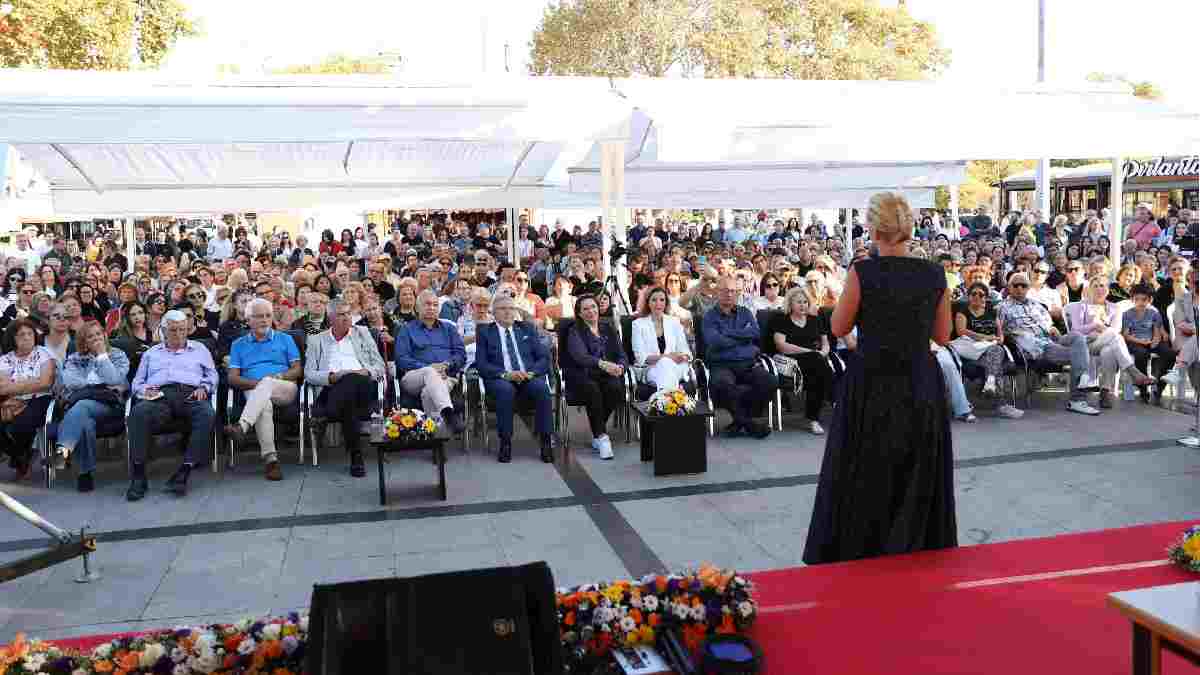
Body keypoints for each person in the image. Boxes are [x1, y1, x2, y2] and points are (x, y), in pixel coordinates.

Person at [804, 191, 955, 565]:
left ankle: (866, 546)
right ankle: (915, 545)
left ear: (872, 228)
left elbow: (838, 327)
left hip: (872, 380)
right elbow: (943, 336)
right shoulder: (935, 274)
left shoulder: (863, 272)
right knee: (915, 463)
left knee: (868, 465)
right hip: (919, 379)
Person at [126, 310, 218, 501]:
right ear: (164, 331)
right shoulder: (151, 353)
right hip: (160, 394)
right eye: (174, 330)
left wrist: (205, 387)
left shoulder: (200, 349)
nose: (179, 334)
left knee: (207, 413)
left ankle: (185, 470)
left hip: (190, 392)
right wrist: (145, 391)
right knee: (138, 413)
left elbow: (212, 375)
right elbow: (137, 382)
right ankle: (138, 474)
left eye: (183, 330)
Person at [305, 297, 386, 477]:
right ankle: (356, 455)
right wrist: (332, 377)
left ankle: (326, 413)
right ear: (330, 318)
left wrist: (365, 372)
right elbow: (309, 373)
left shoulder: (363, 333)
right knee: (348, 401)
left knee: (351, 378)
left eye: (349, 314)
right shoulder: (316, 340)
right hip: (332, 387)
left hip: (364, 384)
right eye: (341, 315)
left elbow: (380, 366)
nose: (346, 318)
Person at [1000, 272, 1101, 415]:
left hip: (1051, 339)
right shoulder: (1003, 307)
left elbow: (1049, 324)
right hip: (1035, 346)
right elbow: (1000, 331)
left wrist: (1052, 329)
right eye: (1015, 285)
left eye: (1023, 285)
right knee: (1081, 352)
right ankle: (1078, 398)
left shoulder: (1036, 305)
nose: (1019, 288)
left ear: (1028, 288)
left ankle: (1082, 381)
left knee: (1078, 337)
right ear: (1009, 287)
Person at [224, 298, 302, 481]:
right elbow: (232, 378)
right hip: (253, 389)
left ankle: (242, 426)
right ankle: (271, 460)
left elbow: (297, 370)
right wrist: (258, 384)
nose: (265, 320)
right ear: (248, 319)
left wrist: (277, 378)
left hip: (284, 388)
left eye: (268, 316)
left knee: (266, 383)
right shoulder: (239, 344)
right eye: (259, 316)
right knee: (263, 405)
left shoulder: (286, 339)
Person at [473, 295, 554, 463]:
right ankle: (506, 442)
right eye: (503, 309)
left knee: (542, 389)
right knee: (505, 390)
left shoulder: (527, 328)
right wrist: (505, 374)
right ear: (494, 313)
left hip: (527, 375)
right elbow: (481, 363)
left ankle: (546, 441)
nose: (508, 312)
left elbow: (543, 358)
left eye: (511, 308)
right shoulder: (485, 331)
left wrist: (531, 373)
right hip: (501, 377)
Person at [55, 321, 130, 491]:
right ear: (83, 342)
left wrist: (103, 356)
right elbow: (69, 381)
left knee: (80, 407)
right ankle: (85, 474)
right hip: (84, 405)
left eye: (98, 334)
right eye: (90, 336)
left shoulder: (117, 355)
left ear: (104, 335)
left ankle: (63, 453)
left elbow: (115, 380)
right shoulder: (75, 358)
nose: (96, 338)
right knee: (85, 421)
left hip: (110, 405)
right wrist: (98, 384)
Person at [703, 277, 776, 439]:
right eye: (725, 290)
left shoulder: (745, 312)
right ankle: (750, 424)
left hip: (747, 364)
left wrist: (727, 333)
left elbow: (755, 333)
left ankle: (739, 421)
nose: (729, 294)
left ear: (737, 293)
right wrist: (743, 336)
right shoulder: (709, 316)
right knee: (723, 384)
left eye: (733, 291)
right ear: (717, 292)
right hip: (722, 364)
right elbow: (715, 340)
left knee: (770, 381)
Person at [1065, 281, 1154, 409]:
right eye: (1095, 285)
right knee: (1114, 337)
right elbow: (1075, 330)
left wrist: (1102, 332)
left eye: (1102, 285)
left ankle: (1105, 392)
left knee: (1109, 350)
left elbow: (1116, 328)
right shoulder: (1080, 306)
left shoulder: (1114, 308)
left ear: (1107, 290)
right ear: (1089, 289)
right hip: (1085, 344)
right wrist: (1094, 326)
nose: (1099, 289)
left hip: (1106, 341)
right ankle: (1133, 372)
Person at [394, 290, 467, 433]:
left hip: (446, 376)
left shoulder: (449, 329)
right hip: (414, 377)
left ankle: (435, 439)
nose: (432, 308)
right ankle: (448, 413)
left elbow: (460, 354)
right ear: (417, 307)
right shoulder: (406, 330)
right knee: (429, 371)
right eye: (427, 304)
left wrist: (447, 365)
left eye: (435, 305)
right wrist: (429, 367)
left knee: (429, 393)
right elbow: (401, 359)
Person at [564, 295, 626, 459]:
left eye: (593, 307)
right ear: (579, 313)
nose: (591, 311)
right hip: (582, 374)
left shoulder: (608, 327)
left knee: (616, 388)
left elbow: (621, 353)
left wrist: (620, 366)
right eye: (585, 309)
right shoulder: (574, 331)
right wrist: (603, 364)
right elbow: (581, 357)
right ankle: (601, 437)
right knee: (593, 390)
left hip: (607, 373)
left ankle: (597, 431)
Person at [768, 288, 831, 434]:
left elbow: (826, 343)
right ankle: (815, 417)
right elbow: (782, 345)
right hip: (791, 361)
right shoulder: (781, 319)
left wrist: (822, 353)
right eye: (799, 302)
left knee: (818, 371)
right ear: (790, 304)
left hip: (816, 361)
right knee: (821, 369)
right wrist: (811, 352)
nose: (803, 305)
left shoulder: (815, 320)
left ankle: (813, 419)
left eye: (805, 302)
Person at [0, 319, 57, 480]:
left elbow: (46, 383)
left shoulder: (43, 353)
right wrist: (32, 383)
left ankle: (19, 459)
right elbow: (2, 388)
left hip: (40, 399)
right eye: (21, 335)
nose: (26, 337)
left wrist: (16, 387)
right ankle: (20, 458)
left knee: (21, 424)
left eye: (29, 333)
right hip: (10, 401)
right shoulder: (5, 359)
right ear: (13, 339)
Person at [631, 287, 693, 394]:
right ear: (648, 303)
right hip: (651, 369)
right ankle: (675, 402)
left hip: (676, 367)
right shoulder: (638, 324)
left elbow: (686, 352)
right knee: (665, 363)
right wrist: (667, 357)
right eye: (654, 300)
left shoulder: (674, 322)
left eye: (662, 300)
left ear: (666, 303)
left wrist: (682, 356)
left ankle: (663, 404)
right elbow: (641, 358)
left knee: (666, 365)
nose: (658, 303)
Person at [1121, 283, 1176, 404]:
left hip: (1151, 340)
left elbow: (1157, 330)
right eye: (1137, 299)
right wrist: (1141, 341)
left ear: (1150, 300)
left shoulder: (1153, 313)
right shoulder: (1127, 314)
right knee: (1141, 354)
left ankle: (1159, 384)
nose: (1140, 302)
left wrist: (1155, 341)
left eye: (1144, 299)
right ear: (1132, 299)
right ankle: (1143, 388)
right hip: (1135, 341)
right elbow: (1126, 335)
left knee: (1170, 354)